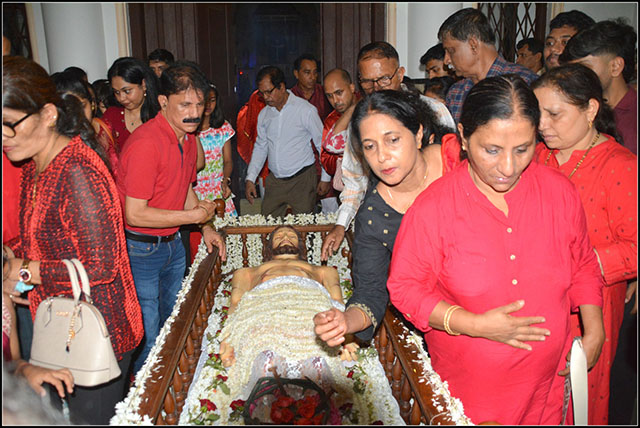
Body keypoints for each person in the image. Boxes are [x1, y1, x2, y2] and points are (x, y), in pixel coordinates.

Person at [386, 74, 605, 425]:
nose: (508, 167)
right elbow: (405, 288)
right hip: (471, 392)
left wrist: (594, 328)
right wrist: (474, 324)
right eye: (491, 150)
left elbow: (582, 263)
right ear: (463, 137)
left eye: (522, 149)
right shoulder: (434, 209)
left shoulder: (559, 192)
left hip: (549, 387)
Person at [2, 55, 144, 424]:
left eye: (9, 124)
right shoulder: (33, 165)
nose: (2, 137)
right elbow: (37, 241)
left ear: (48, 114)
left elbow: (101, 266)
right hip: (58, 326)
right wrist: (10, 267)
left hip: (97, 334)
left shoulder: (78, 171)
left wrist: (26, 271)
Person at [532, 63, 637, 426]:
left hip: (590, 309)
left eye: (554, 114)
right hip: (536, 298)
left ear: (591, 109)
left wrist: (577, 263)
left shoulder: (620, 166)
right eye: (538, 114)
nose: (542, 125)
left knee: (576, 400)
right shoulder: (539, 155)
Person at [314, 90, 460, 348]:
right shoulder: (374, 216)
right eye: (370, 146)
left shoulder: (458, 161)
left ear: (418, 134)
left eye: (392, 140)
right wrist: (345, 321)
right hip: (443, 324)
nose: (382, 157)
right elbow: (370, 292)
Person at [116, 60, 227, 375]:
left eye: (199, 104)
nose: (194, 112)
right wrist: (192, 215)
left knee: (173, 322)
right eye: (185, 105)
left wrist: (205, 226)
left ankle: (170, 386)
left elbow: (185, 188)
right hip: (141, 250)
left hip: (173, 245)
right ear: (163, 101)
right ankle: (143, 397)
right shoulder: (146, 143)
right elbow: (134, 213)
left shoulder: (188, 139)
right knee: (148, 335)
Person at [321, 41, 455, 260]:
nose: (376, 88)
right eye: (367, 81)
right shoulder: (360, 122)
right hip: (385, 225)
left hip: (437, 222)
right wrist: (341, 224)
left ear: (400, 74)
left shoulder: (434, 110)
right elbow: (354, 182)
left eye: (384, 79)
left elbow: (453, 166)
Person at [245, 65, 331, 218]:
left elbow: (322, 144)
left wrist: (325, 178)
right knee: (269, 226)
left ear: (282, 87)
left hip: (302, 180)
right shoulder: (264, 114)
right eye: (262, 93)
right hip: (275, 181)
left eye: (269, 92)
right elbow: (260, 147)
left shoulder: (305, 110)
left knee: (303, 228)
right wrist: (250, 178)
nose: (266, 97)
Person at [438, 7, 539, 124]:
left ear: (473, 45)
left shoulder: (525, 82)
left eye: (451, 51)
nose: (446, 60)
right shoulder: (456, 92)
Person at [559, 19, 638, 155]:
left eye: (584, 67)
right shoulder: (575, 107)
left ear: (615, 66)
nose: (575, 76)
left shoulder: (633, 116)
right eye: (571, 69)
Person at [189, 83, 237, 263]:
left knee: (229, 242)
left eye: (212, 100)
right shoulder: (189, 129)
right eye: (204, 101)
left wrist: (226, 180)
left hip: (218, 189)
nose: (208, 105)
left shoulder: (223, 127)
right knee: (200, 248)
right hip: (196, 191)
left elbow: (228, 161)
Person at [51, 71, 118, 176]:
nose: (77, 114)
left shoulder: (102, 131)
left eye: (82, 106)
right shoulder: (50, 152)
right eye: (68, 108)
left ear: (92, 105)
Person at [103, 57, 161, 151]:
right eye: (117, 92)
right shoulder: (111, 116)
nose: (121, 98)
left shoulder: (160, 116)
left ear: (143, 84)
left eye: (127, 91)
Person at [321, 68, 360, 193]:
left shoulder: (368, 106)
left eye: (339, 93)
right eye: (329, 96)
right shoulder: (331, 120)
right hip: (348, 188)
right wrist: (343, 157)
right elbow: (326, 161)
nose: (335, 101)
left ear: (352, 88)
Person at [291, 53, 332, 122]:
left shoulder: (324, 92)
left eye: (315, 72)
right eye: (307, 72)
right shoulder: (291, 96)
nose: (312, 77)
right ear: (296, 73)